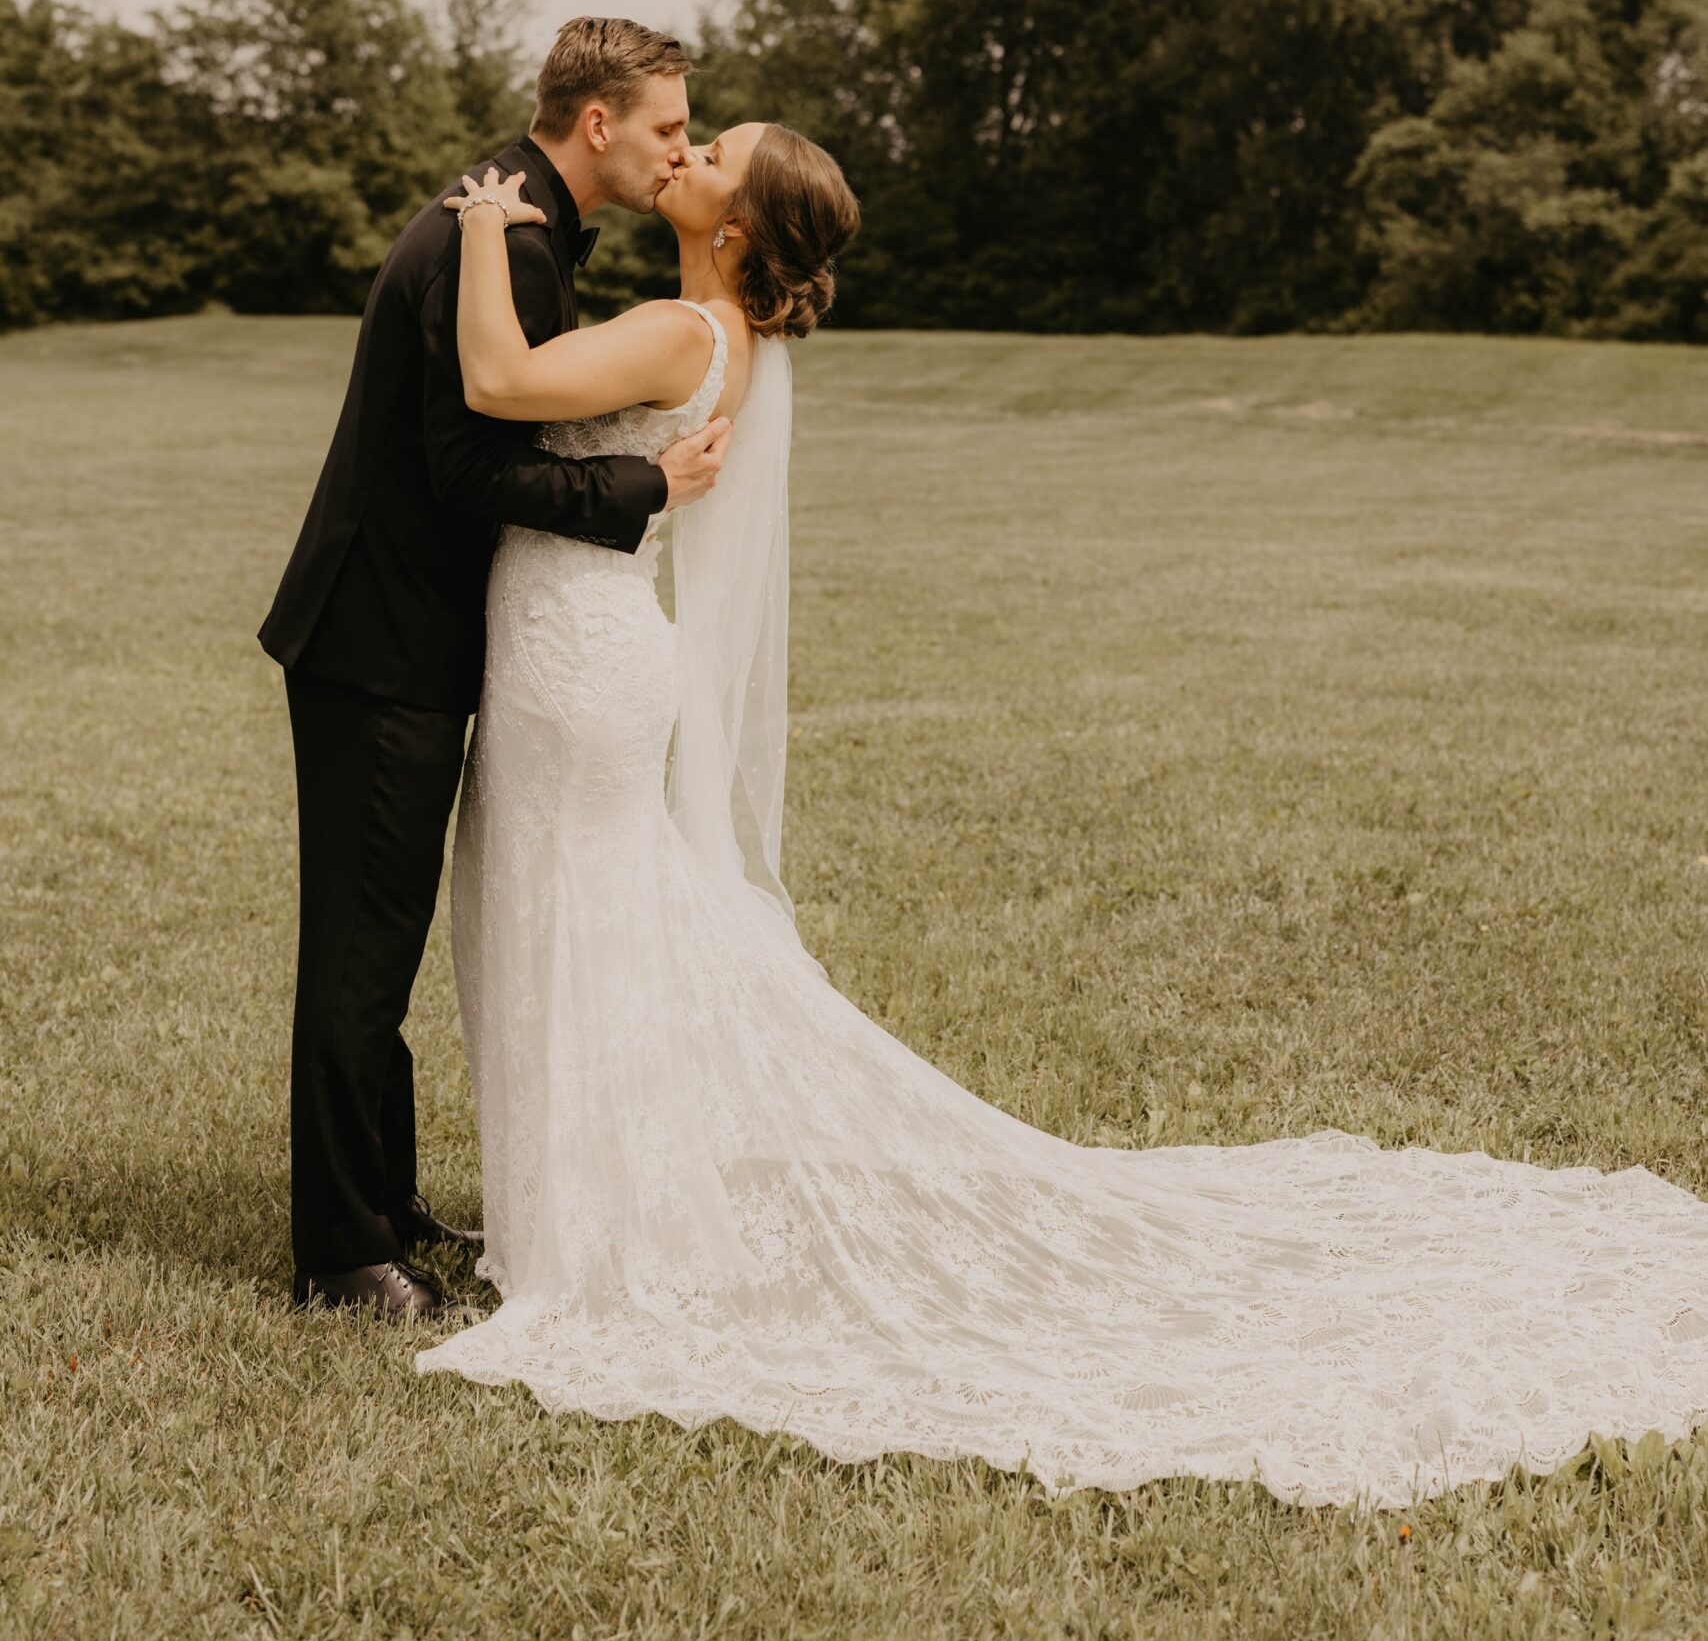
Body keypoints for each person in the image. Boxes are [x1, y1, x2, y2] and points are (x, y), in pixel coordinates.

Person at [410, 116, 1708, 1507]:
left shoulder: (684, 329)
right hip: (584, 648)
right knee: (584, 919)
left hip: (584, 657)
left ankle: (598, 1234)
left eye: (716, 149)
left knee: (581, 917)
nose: (696, 149)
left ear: (737, 224)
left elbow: (500, 378)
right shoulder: (720, 331)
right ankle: (590, 1209)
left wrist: (485, 225)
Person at [259, 18, 730, 1317]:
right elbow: (471, 472)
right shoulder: (513, 238)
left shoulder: (512, 211)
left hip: (402, 633)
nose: (676, 149)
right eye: (666, 127)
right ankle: (345, 1257)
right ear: (598, 124)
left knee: (384, 944)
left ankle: (384, 1201)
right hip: (379, 639)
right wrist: (644, 480)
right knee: (359, 954)